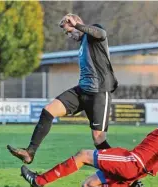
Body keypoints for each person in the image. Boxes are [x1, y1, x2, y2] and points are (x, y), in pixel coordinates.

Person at [20, 95, 158, 187]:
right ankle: (129, 186)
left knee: (83, 155)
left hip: (132, 163)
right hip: (135, 169)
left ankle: (39, 181)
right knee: (88, 185)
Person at [7, 14, 118, 163]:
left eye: (69, 31)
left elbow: (102, 34)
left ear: (76, 23)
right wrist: (74, 28)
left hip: (99, 94)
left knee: (99, 140)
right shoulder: (82, 43)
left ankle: (128, 174)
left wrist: (77, 26)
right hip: (82, 90)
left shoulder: (93, 35)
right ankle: (30, 152)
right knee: (49, 110)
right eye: (66, 33)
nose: (69, 36)